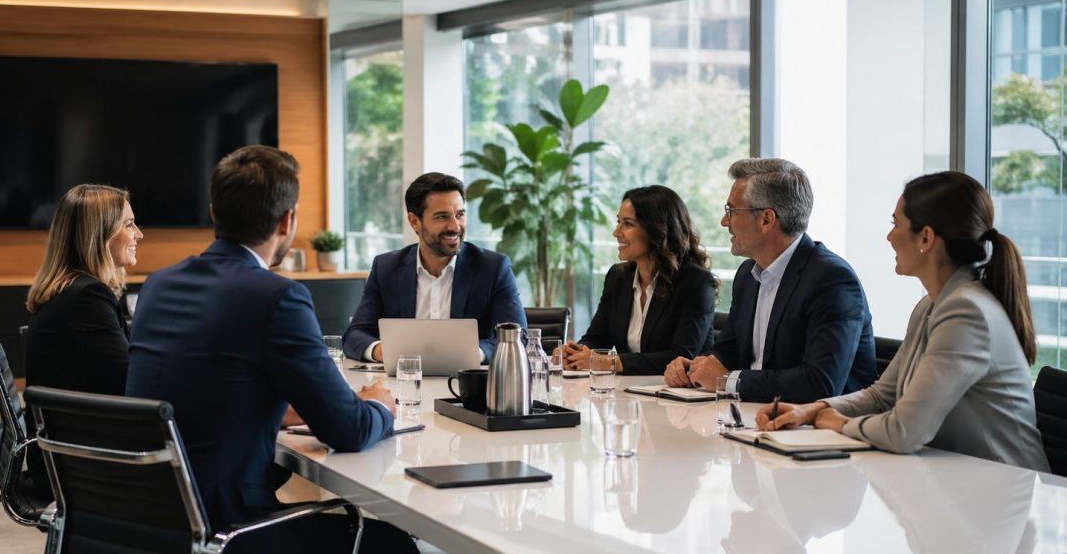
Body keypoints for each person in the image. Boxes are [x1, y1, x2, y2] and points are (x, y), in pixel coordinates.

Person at [125, 145, 420, 554]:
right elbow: (348, 430)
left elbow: (207, 384)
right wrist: (380, 404)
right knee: (394, 553)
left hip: (149, 537)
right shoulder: (277, 296)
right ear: (288, 221)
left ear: (215, 212)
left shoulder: (158, 285)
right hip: (227, 547)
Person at [756, 171, 1049, 471]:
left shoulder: (966, 311)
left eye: (896, 224)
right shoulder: (931, 305)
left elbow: (904, 433)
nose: (889, 236)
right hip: (956, 480)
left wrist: (839, 424)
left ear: (926, 237)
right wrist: (813, 410)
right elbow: (883, 396)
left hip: (1005, 489)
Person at [664, 158, 876, 402]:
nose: (724, 222)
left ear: (766, 219)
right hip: (754, 417)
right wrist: (695, 368)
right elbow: (728, 352)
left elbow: (820, 383)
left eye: (731, 211)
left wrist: (727, 381)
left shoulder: (831, 279)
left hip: (818, 431)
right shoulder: (747, 274)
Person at [24, 183, 142, 493]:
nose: (138, 234)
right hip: (79, 463)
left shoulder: (71, 290)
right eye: (129, 224)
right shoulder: (86, 297)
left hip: (64, 451)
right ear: (98, 234)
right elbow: (131, 384)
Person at [342, 172, 526, 364]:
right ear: (415, 222)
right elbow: (355, 334)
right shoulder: (386, 268)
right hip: (404, 384)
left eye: (460, 215)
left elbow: (517, 337)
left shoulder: (493, 268)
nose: (455, 226)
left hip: (470, 386)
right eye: (442, 217)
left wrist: (473, 354)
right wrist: (381, 351)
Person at [563, 185, 715, 375]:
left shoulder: (695, 282)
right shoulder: (618, 276)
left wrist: (610, 363)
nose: (616, 232)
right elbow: (596, 338)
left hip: (681, 397)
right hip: (627, 393)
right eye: (618, 222)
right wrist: (575, 353)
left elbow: (681, 355)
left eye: (628, 224)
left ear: (657, 230)